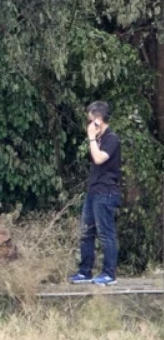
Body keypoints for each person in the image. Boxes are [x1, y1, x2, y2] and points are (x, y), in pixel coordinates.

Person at [69, 101, 122, 286]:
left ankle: (109, 274)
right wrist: (93, 139)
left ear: (98, 120)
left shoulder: (111, 138)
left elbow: (99, 159)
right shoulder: (99, 139)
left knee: (106, 233)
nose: (88, 125)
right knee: (86, 232)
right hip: (93, 191)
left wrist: (91, 138)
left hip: (106, 192)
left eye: (90, 121)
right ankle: (85, 272)